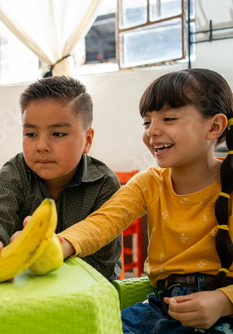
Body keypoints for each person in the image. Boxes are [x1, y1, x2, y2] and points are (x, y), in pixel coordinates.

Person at [58, 68, 233, 333]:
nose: (152, 131)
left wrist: (223, 301)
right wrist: (62, 243)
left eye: (169, 118)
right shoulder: (148, 182)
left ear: (214, 126)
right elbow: (103, 221)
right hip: (160, 306)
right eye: (146, 122)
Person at [0, 75, 123, 281]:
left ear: (87, 140)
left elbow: (103, 263)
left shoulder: (104, 183)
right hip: (24, 288)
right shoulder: (14, 172)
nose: (41, 145)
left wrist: (49, 257)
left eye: (58, 134)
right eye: (31, 134)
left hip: (86, 290)